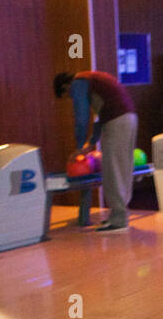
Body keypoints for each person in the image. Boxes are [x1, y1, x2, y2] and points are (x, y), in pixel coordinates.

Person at [53, 70, 137, 233]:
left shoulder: (78, 82)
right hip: (129, 118)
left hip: (116, 122)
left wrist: (79, 148)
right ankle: (118, 215)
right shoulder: (91, 79)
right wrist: (91, 143)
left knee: (113, 170)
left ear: (65, 86)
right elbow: (99, 118)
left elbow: (81, 118)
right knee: (122, 168)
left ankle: (119, 219)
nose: (72, 98)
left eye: (68, 96)